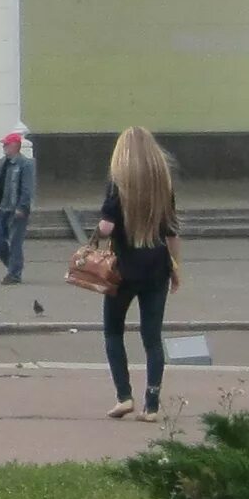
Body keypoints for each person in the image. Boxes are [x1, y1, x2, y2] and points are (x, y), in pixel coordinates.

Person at [95, 126, 182, 420]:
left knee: (113, 331)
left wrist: (99, 229)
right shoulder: (163, 184)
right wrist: (176, 268)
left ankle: (124, 396)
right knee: (152, 337)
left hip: (123, 268)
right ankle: (152, 405)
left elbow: (106, 228)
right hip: (157, 266)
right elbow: (171, 232)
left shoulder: (119, 183)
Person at [0, 125, 36, 284]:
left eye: (6, 145)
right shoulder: (4, 163)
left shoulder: (25, 165)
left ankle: (14, 274)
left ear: (15, 146)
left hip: (17, 209)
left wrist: (22, 207)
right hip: (2, 207)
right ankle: (13, 267)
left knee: (15, 242)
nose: (3, 147)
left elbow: (27, 188)